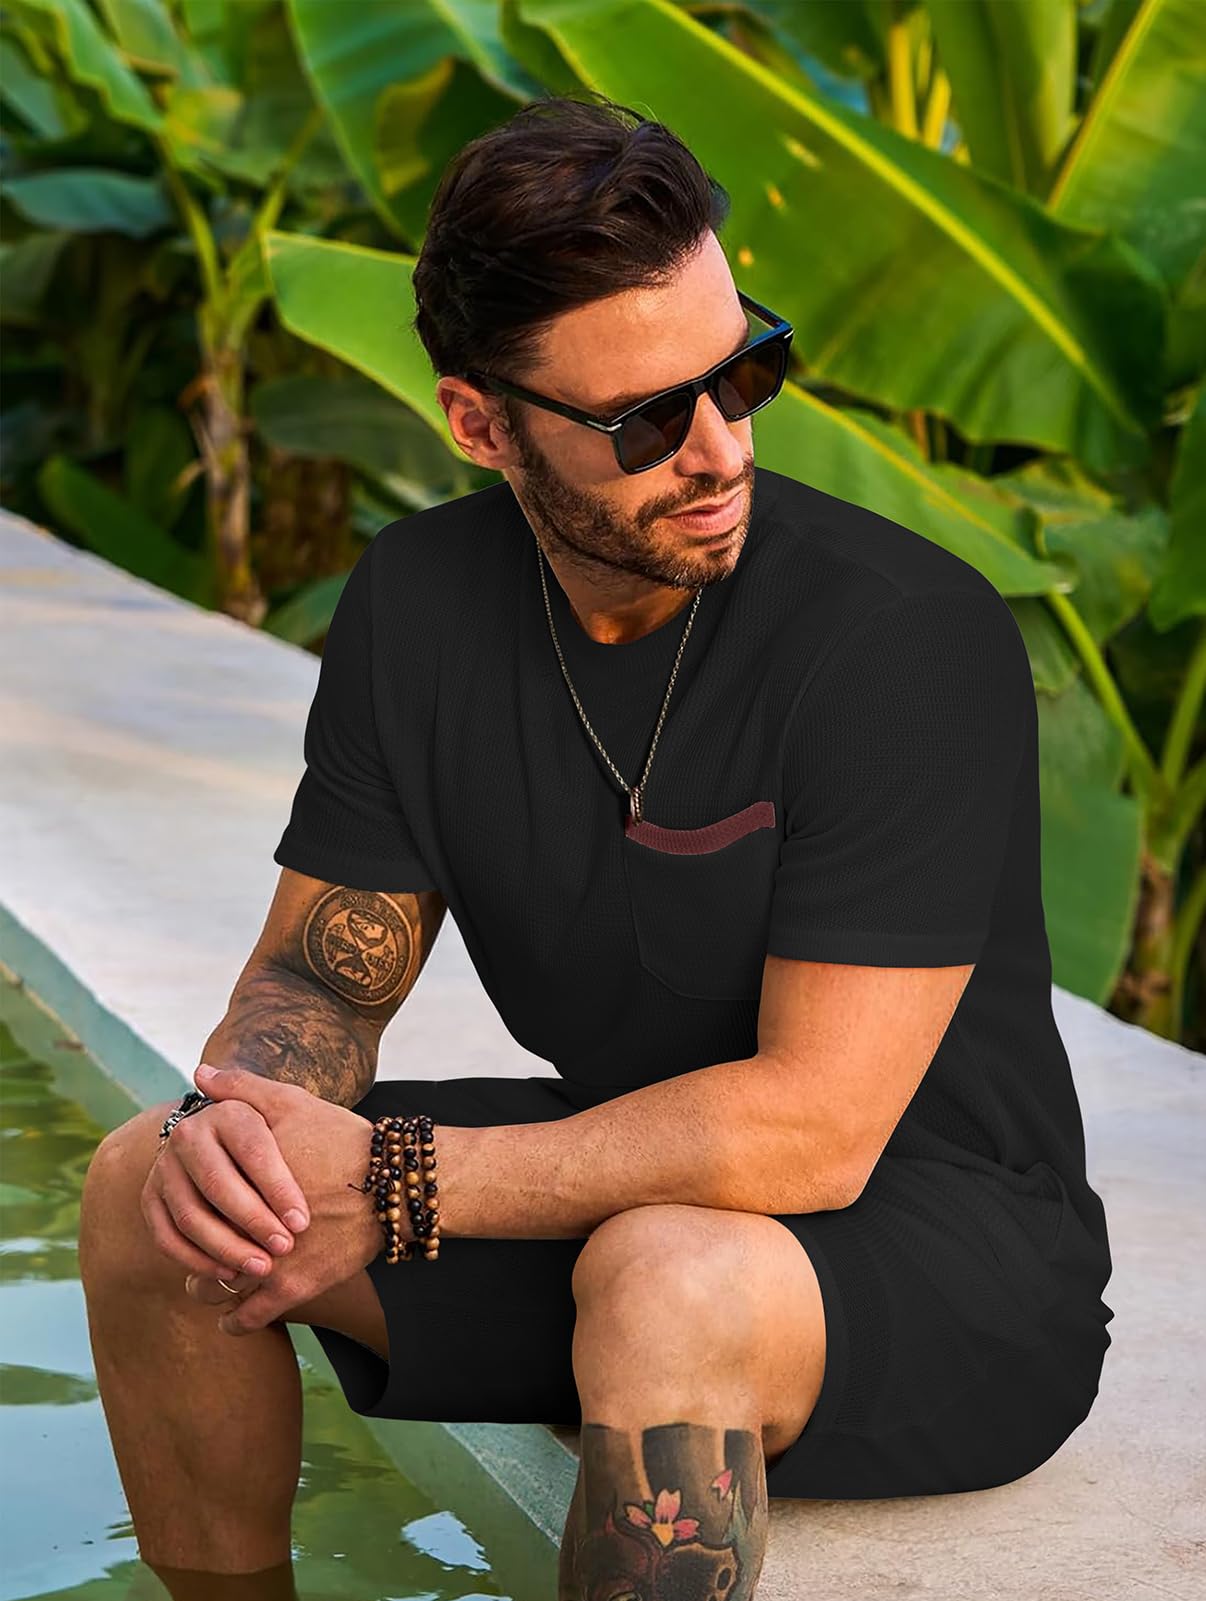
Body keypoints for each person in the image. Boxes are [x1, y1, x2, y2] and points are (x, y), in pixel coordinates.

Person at [78, 91, 1114, 1600]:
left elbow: (815, 1130)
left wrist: (404, 1178)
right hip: (615, 1186)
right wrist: (247, 1128)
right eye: (643, 420)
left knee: (662, 1275)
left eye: (742, 374)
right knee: (152, 1191)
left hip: (940, 1248)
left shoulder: (902, 636)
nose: (718, 450)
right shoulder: (419, 605)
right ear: (479, 424)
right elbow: (317, 981)